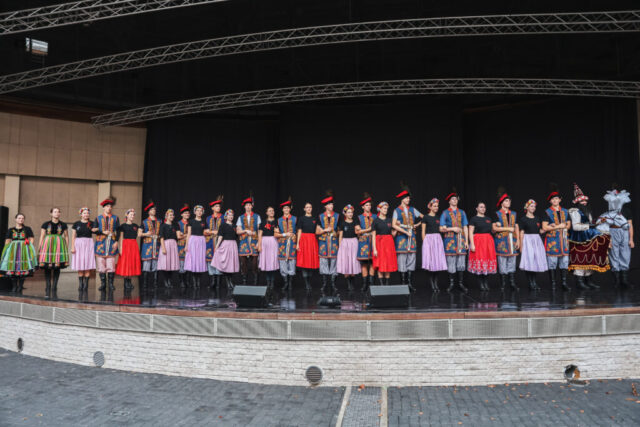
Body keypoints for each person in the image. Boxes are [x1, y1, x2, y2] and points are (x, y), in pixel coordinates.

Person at [567, 183, 610, 289]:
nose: (584, 203)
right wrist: (590, 225)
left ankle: (588, 280)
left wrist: (598, 222)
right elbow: (576, 226)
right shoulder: (575, 212)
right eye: (582, 201)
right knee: (580, 258)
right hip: (579, 238)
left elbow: (590, 223)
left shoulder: (588, 211)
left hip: (589, 236)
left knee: (590, 257)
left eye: (585, 201)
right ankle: (579, 281)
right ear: (578, 202)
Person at [597, 186, 634, 286]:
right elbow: (605, 226)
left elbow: (630, 225)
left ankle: (624, 280)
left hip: (624, 232)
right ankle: (616, 281)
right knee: (614, 254)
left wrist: (631, 239)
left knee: (625, 254)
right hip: (613, 232)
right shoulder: (609, 212)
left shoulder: (626, 211)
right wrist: (608, 240)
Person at [392, 184, 423, 290]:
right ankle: (403, 284)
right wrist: (405, 231)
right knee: (402, 260)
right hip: (401, 237)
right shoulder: (396, 210)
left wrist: (417, 225)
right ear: (402, 199)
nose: (408, 200)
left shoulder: (413, 209)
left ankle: (409, 284)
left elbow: (424, 218)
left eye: (409, 198)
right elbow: (394, 225)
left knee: (411, 259)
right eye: (407, 198)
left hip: (411, 237)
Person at [542, 185, 571, 291]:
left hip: (563, 239)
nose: (555, 200)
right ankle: (553, 284)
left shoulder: (565, 211)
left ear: (560, 200)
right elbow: (544, 227)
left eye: (556, 198)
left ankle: (564, 282)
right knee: (552, 262)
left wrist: (556, 226)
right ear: (550, 201)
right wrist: (559, 226)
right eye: (553, 199)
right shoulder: (547, 212)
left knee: (564, 261)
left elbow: (568, 225)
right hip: (553, 240)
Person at [440, 191, 469, 292]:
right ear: (449, 201)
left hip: (461, 240)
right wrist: (452, 229)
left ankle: (460, 283)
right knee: (451, 262)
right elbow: (441, 228)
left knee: (461, 262)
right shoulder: (445, 213)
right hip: (450, 240)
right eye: (452, 199)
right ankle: (452, 283)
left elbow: (465, 227)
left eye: (456, 199)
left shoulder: (462, 212)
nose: (454, 200)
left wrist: (467, 241)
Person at [0, 213, 37, 293]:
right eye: (19, 218)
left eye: (22, 218)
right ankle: (14, 286)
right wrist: (6, 251)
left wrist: (29, 246)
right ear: (15, 219)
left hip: (24, 250)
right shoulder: (11, 230)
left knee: (22, 268)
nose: (21, 219)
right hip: (13, 250)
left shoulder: (27, 229)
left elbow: (31, 238)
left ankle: (20, 286)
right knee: (13, 268)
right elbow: (7, 240)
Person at [38, 207, 69, 296]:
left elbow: (66, 236)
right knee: (47, 266)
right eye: (55, 212)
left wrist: (66, 246)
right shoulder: (45, 224)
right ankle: (48, 285)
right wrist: (40, 247)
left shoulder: (63, 224)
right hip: (48, 245)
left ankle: (55, 285)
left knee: (57, 266)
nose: (57, 213)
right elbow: (42, 236)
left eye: (58, 212)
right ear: (51, 213)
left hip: (59, 245)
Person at [492, 191, 520, 290]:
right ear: (502, 203)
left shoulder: (514, 214)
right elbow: (494, 228)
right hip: (502, 241)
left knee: (512, 261)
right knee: (502, 261)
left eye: (509, 201)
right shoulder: (497, 214)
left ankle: (512, 283)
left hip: (513, 240)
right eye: (506, 201)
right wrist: (507, 228)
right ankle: (503, 284)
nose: (509, 202)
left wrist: (518, 240)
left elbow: (516, 227)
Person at [518, 200, 547, 290]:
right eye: (531, 206)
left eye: (534, 206)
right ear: (527, 207)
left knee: (535, 261)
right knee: (529, 261)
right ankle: (530, 283)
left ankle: (534, 282)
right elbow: (521, 232)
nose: (533, 208)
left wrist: (548, 228)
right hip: (528, 241)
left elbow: (539, 231)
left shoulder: (537, 218)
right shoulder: (523, 219)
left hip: (536, 240)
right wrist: (521, 245)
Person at [468, 202, 497, 291]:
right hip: (478, 241)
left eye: (484, 207)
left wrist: (496, 226)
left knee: (487, 261)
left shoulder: (488, 219)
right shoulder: (474, 219)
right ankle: (481, 283)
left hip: (488, 241)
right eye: (481, 207)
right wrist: (472, 244)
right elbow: (470, 232)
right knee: (479, 261)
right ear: (477, 209)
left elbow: (492, 231)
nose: (483, 208)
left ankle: (486, 283)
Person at [421, 198, 447, 292]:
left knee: (437, 262)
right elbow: (423, 231)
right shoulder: (426, 217)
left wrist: (445, 228)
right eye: (434, 206)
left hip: (437, 240)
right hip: (429, 239)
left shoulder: (438, 218)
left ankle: (436, 283)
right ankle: (432, 283)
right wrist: (425, 243)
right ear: (430, 207)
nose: (436, 207)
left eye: (437, 206)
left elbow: (440, 229)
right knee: (431, 262)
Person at [316, 191, 340, 295]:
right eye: (329, 204)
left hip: (334, 241)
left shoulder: (338, 216)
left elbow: (340, 231)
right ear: (325, 206)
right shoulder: (320, 216)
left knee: (334, 261)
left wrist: (336, 233)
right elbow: (317, 231)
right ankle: (325, 284)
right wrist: (325, 230)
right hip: (324, 242)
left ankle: (333, 284)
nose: (331, 206)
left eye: (332, 204)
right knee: (323, 262)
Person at [95, 197, 119, 292]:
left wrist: (116, 241)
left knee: (111, 264)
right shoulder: (98, 218)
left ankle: (111, 284)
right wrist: (102, 231)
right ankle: (103, 284)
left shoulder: (115, 218)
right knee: (101, 264)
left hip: (112, 242)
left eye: (110, 206)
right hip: (101, 243)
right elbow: (94, 230)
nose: (109, 208)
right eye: (107, 206)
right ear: (104, 207)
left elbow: (118, 231)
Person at [211, 209, 239, 291]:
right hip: (226, 244)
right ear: (226, 216)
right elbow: (220, 236)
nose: (231, 216)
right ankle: (228, 282)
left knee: (231, 264)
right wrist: (217, 246)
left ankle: (230, 281)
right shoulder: (223, 225)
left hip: (233, 245)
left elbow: (237, 235)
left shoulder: (234, 226)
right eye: (229, 215)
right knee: (226, 264)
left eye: (232, 215)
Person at [236, 196, 261, 285]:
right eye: (247, 205)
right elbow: (238, 231)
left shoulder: (257, 216)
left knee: (254, 262)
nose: (248, 207)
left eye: (249, 205)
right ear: (244, 206)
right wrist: (246, 230)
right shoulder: (241, 217)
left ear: (252, 206)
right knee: (243, 262)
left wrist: (259, 242)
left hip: (254, 241)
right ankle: (244, 280)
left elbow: (259, 230)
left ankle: (255, 280)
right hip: (244, 242)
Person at [115, 209, 142, 291]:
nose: (132, 216)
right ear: (127, 215)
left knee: (131, 262)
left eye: (133, 215)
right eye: (131, 214)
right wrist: (120, 248)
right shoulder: (123, 226)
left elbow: (140, 234)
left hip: (133, 245)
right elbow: (121, 237)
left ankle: (129, 281)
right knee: (126, 262)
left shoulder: (136, 226)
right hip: (126, 244)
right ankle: (126, 282)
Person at [70, 207, 96, 292]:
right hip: (79, 243)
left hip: (89, 243)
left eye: (87, 213)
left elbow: (97, 231)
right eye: (84, 213)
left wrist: (96, 229)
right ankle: (80, 284)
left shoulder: (92, 223)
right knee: (80, 263)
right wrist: (72, 247)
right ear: (81, 214)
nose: (86, 214)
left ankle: (86, 285)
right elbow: (73, 236)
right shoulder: (76, 224)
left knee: (88, 263)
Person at [336, 204, 360, 294]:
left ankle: (352, 282)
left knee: (353, 261)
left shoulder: (355, 222)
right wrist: (340, 247)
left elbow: (358, 233)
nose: (350, 214)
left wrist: (359, 231)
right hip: (345, 243)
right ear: (345, 214)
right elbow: (340, 236)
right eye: (348, 212)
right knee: (346, 262)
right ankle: (348, 284)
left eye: (351, 212)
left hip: (353, 242)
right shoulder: (342, 223)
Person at [372, 201, 397, 285]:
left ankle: (387, 284)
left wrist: (396, 229)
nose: (386, 210)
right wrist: (374, 249)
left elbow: (392, 234)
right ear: (380, 209)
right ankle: (381, 285)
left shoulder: (389, 220)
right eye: (384, 208)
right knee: (380, 263)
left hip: (389, 244)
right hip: (380, 244)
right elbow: (373, 236)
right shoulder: (375, 221)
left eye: (386, 208)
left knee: (388, 263)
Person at [296, 202, 319, 294]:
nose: (309, 208)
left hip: (312, 240)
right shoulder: (301, 219)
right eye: (307, 207)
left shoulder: (315, 219)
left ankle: (309, 281)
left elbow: (317, 231)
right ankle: (306, 283)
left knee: (311, 261)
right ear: (304, 209)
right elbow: (299, 231)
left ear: (312, 208)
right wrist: (298, 243)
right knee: (304, 261)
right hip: (304, 240)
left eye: (310, 207)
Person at [356, 193, 376, 292]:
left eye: (370, 205)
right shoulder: (359, 217)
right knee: (364, 264)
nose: (369, 207)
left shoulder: (375, 216)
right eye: (367, 205)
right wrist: (368, 230)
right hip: (363, 242)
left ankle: (371, 284)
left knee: (372, 263)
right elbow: (358, 231)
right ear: (363, 207)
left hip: (373, 241)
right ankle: (365, 284)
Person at [275, 198, 297, 292]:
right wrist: (284, 234)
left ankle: (290, 282)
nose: (286, 209)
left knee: (292, 262)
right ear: (282, 210)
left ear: (290, 209)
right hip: (282, 243)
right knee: (283, 262)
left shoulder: (295, 219)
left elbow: (298, 231)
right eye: (285, 208)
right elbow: (276, 234)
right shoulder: (278, 220)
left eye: (288, 208)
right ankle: (286, 282)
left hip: (292, 243)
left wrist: (294, 236)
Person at [184, 205, 208, 288]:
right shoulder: (191, 221)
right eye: (197, 210)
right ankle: (194, 282)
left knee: (200, 260)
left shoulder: (204, 222)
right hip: (193, 240)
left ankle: (198, 282)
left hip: (201, 241)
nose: (199, 212)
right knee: (194, 260)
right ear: (195, 212)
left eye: (201, 211)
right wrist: (186, 245)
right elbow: (189, 234)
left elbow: (206, 232)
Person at [157, 209, 181, 288]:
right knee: (165, 263)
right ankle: (165, 281)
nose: (172, 216)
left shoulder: (175, 225)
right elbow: (161, 237)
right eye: (170, 215)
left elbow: (178, 236)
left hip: (173, 245)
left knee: (171, 264)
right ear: (166, 216)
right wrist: (163, 248)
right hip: (166, 244)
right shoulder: (163, 226)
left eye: (173, 215)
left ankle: (170, 280)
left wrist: (185, 235)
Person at [258, 206, 279, 290]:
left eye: (272, 210)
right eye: (270, 211)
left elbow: (278, 233)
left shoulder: (277, 221)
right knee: (266, 262)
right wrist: (259, 245)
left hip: (274, 241)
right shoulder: (263, 222)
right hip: (265, 242)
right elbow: (260, 234)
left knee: (273, 261)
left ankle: (272, 281)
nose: (271, 212)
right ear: (266, 213)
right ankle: (268, 281)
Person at [140, 200, 161, 289]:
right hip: (147, 245)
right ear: (148, 211)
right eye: (152, 209)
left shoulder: (159, 221)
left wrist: (159, 236)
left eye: (154, 209)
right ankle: (145, 284)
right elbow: (139, 234)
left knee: (156, 265)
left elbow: (162, 233)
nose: (154, 211)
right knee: (146, 265)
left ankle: (155, 284)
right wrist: (146, 234)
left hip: (157, 245)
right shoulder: (144, 222)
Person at [205, 196, 224, 290]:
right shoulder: (208, 218)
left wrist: (215, 232)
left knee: (219, 260)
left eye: (219, 206)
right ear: (212, 208)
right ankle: (212, 281)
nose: (218, 208)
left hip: (220, 241)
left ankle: (218, 283)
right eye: (216, 206)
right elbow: (205, 231)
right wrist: (212, 232)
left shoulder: (223, 217)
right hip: (210, 241)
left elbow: (225, 229)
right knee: (210, 260)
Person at [176, 204, 190, 287]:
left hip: (189, 245)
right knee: (181, 262)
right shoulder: (178, 223)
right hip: (181, 245)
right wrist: (187, 235)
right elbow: (178, 236)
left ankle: (187, 281)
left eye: (188, 213)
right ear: (182, 214)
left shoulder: (191, 223)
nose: (187, 214)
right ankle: (181, 281)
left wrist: (184, 235)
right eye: (185, 213)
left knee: (188, 262)